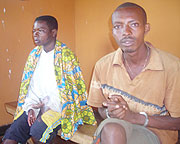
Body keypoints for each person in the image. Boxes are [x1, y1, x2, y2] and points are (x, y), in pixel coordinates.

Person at [87, 2, 180, 144]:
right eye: (118, 26)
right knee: (112, 129)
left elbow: (177, 122)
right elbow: (99, 108)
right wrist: (111, 112)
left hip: (155, 132)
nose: (126, 32)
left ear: (146, 28)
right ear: (113, 32)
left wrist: (133, 117)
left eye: (134, 24)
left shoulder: (172, 67)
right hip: (116, 127)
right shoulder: (102, 65)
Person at [3, 15, 96, 144]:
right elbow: (30, 87)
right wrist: (31, 108)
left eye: (40, 30)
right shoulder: (34, 55)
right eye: (34, 31)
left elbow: (69, 93)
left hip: (59, 108)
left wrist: (45, 109)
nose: (35, 34)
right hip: (36, 104)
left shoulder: (66, 56)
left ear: (53, 32)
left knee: (38, 131)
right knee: (11, 136)